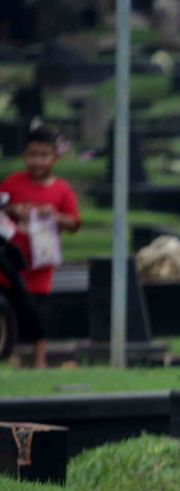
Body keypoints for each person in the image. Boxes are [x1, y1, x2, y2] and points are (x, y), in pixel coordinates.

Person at [0, 126, 81, 369]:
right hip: (12, 259)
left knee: (39, 309)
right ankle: (9, 352)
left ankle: (39, 359)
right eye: (32, 155)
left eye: (43, 155)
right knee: (10, 307)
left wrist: (55, 216)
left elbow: (74, 222)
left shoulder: (61, 190)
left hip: (42, 261)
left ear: (54, 157)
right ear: (25, 156)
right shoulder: (13, 183)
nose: (37, 161)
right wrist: (13, 210)